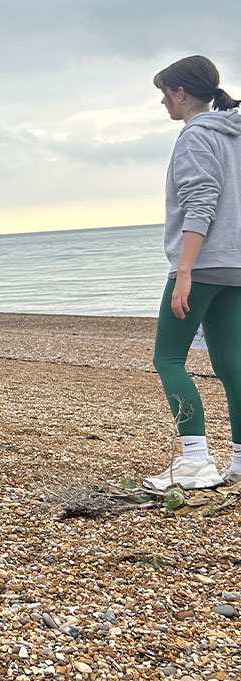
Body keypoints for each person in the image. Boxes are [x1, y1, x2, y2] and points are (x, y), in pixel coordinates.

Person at [144, 55, 241, 490]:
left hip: (202, 263)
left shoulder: (195, 137)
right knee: (232, 364)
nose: (163, 102)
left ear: (181, 93)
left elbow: (201, 201)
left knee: (168, 358)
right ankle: (239, 464)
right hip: (236, 266)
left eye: (165, 93)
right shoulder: (234, 136)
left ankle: (196, 461)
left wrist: (183, 270)